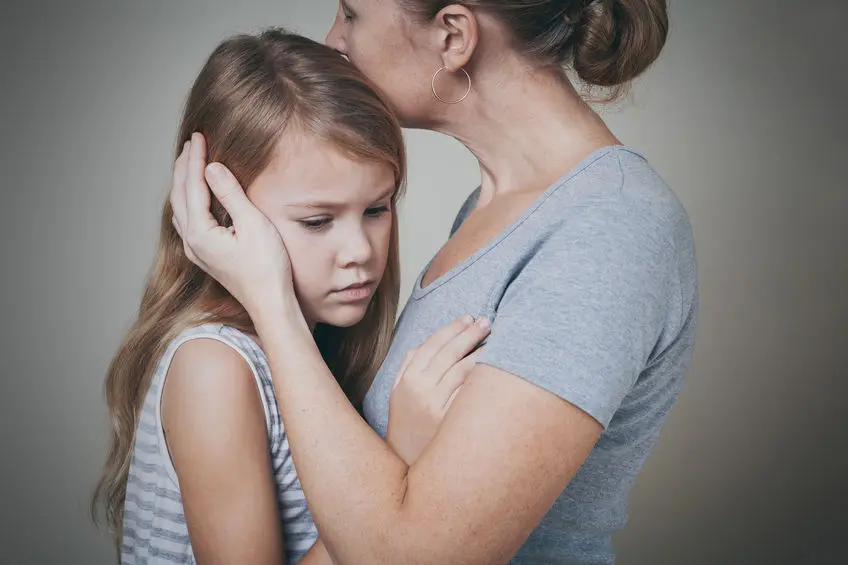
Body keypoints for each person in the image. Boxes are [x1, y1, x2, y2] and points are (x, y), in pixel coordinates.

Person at [171, 1, 698, 563]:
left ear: (453, 35)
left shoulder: (607, 229)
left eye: (352, 13)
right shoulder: (490, 208)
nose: (334, 39)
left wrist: (271, 303)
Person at [92, 29, 487, 565]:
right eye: (317, 220)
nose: (359, 251)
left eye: (377, 209)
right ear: (222, 214)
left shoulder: (317, 348)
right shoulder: (215, 366)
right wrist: (402, 458)